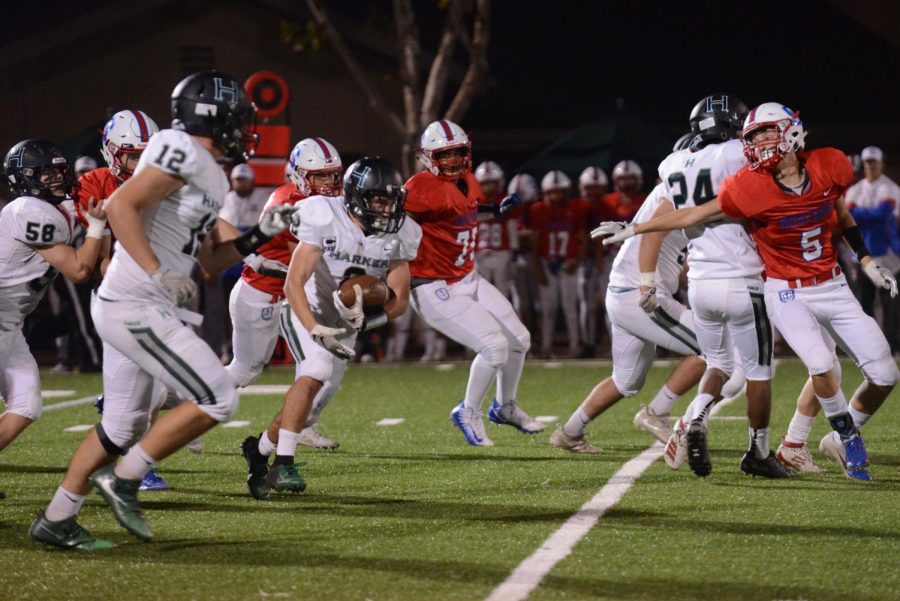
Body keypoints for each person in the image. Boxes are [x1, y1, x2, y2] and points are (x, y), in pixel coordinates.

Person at [29, 70, 294, 549]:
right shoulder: (181, 147)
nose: (245, 127)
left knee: (123, 423)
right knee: (218, 396)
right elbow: (121, 205)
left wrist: (259, 234)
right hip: (137, 300)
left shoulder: (210, 171)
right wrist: (155, 270)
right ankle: (125, 479)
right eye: (239, 117)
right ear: (215, 115)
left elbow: (211, 260)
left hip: (143, 301)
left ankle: (57, 517)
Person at [599, 102, 899, 481]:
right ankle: (784, 447)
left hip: (812, 283)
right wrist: (635, 228)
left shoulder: (826, 165)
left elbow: (838, 210)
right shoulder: (748, 183)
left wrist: (868, 262)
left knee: (877, 372)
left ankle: (791, 442)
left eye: (766, 133)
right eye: (752, 136)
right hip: (775, 287)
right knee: (793, 369)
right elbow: (698, 213)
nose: (758, 143)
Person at [240, 157, 421, 499]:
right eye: (377, 200)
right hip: (305, 307)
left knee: (308, 402)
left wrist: (369, 320)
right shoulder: (322, 213)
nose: (385, 209)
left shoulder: (402, 231)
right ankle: (284, 464)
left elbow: (398, 299)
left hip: (345, 323)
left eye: (390, 200)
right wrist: (313, 328)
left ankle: (259, 450)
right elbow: (294, 283)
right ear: (355, 196)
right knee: (316, 370)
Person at [405, 119, 542, 446]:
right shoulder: (418, 188)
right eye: (445, 154)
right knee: (494, 347)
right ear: (428, 156)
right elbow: (390, 220)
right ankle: (467, 410)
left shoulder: (468, 179)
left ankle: (505, 407)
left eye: (458, 152)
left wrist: (494, 211)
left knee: (519, 340)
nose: (453, 160)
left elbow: (465, 209)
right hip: (434, 285)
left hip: (468, 275)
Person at [550, 180, 708, 454]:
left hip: (625, 292)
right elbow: (652, 236)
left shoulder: (680, 192)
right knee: (712, 347)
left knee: (626, 381)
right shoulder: (675, 193)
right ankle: (657, 412)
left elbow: (678, 263)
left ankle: (569, 432)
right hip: (640, 293)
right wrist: (648, 285)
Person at [75, 109, 177, 491]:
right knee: (144, 385)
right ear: (112, 153)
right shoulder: (95, 184)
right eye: (133, 155)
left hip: (157, 290)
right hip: (118, 294)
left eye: (147, 155)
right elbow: (101, 259)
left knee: (166, 387)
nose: (141, 164)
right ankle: (129, 467)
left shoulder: (165, 183)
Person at [0, 139, 107, 500]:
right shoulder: (25, 210)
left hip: (9, 325)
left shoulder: (52, 206)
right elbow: (78, 270)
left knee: (26, 404)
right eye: (47, 173)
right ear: (25, 178)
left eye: (59, 171)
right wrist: (96, 227)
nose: (58, 179)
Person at [229, 137, 345, 450]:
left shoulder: (328, 200)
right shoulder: (289, 202)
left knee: (325, 366)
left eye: (333, 175)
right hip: (263, 292)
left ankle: (302, 424)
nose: (329, 183)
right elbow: (304, 262)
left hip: (296, 294)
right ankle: (193, 403)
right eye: (320, 176)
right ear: (298, 176)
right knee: (246, 370)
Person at [845, 146, 900, 352]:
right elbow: (848, 216)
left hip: (888, 255)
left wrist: (861, 214)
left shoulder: (891, 188)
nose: (870, 166)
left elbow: (884, 214)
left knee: (891, 302)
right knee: (864, 302)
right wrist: (871, 214)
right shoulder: (855, 189)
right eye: (868, 162)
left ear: (881, 164)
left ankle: (892, 344)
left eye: (874, 162)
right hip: (862, 255)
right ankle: (868, 345)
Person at [529, 170, 588, 358]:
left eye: (560, 191)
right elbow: (535, 242)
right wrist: (537, 267)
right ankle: (546, 346)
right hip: (547, 264)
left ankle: (574, 345)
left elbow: (583, 239)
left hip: (567, 263)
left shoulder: (575, 209)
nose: (557, 196)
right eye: (553, 192)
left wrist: (577, 260)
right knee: (548, 309)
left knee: (570, 307)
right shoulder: (538, 210)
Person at [576, 166, 610, 357]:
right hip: (585, 260)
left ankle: (613, 344)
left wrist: (598, 255)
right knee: (585, 305)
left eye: (597, 188)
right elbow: (580, 235)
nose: (594, 192)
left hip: (605, 258)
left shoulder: (608, 206)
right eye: (591, 188)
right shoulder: (577, 207)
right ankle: (587, 343)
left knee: (609, 303)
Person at [474, 161, 518, 299]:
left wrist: (514, 255)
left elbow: (512, 230)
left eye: (491, 183)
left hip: (502, 252)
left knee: (502, 294)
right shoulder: (473, 202)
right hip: (480, 253)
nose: (488, 187)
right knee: (481, 295)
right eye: (485, 184)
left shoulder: (505, 201)